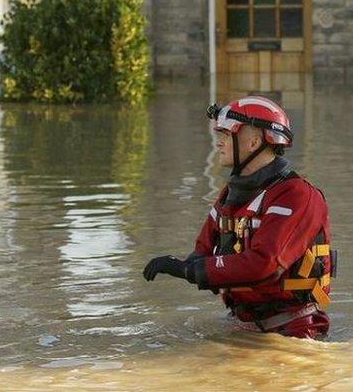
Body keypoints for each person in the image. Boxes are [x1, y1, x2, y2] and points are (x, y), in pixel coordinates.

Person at [143, 96, 335, 339]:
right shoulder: (231, 193)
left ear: (254, 142)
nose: (218, 143)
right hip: (243, 325)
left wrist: (189, 271)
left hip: (293, 334)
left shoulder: (296, 195)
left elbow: (264, 263)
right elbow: (203, 249)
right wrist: (184, 265)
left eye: (225, 135)